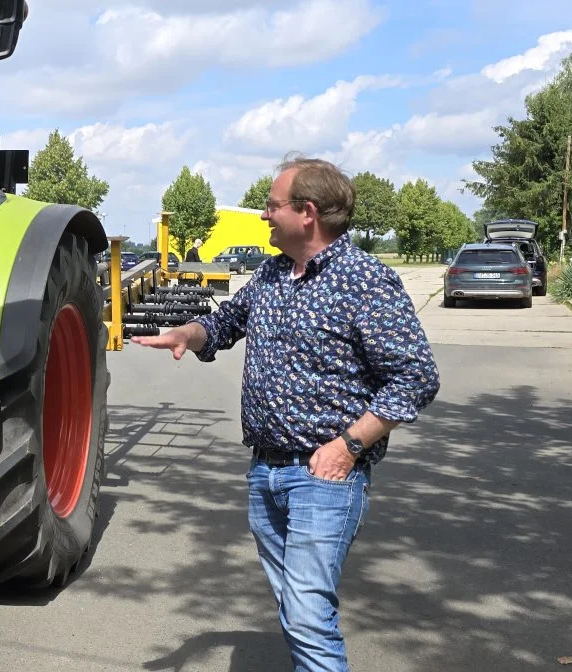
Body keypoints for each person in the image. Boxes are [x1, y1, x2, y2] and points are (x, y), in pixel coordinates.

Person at [132, 153, 440, 672]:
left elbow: (416, 377)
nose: (263, 216)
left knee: (305, 613)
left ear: (308, 213)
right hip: (266, 472)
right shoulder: (274, 274)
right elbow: (229, 320)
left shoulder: (364, 281)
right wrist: (188, 333)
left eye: (271, 206)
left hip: (325, 477)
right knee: (297, 610)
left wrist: (349, 447)